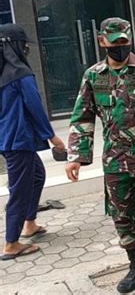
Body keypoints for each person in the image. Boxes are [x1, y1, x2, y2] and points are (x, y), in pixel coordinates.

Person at [65, 17, 135, 293]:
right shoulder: (93, 75)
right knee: (122, 216)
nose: (120, 48)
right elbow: (83, 116)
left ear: (130, 39)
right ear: (102, 41)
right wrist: (76, 155)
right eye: (114, 43)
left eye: (124, 42)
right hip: (114, 159)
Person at [0, 24, 65, 260]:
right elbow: (35, 106)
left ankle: (29, 223)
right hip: (19, 140)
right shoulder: (21, 74)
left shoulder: (3, 73)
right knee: (19, 189)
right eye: (23, 44)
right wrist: (52, 136)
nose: (26, 48)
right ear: (15, 46)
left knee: (37, 176)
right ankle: (11, 243)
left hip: (9, 140)